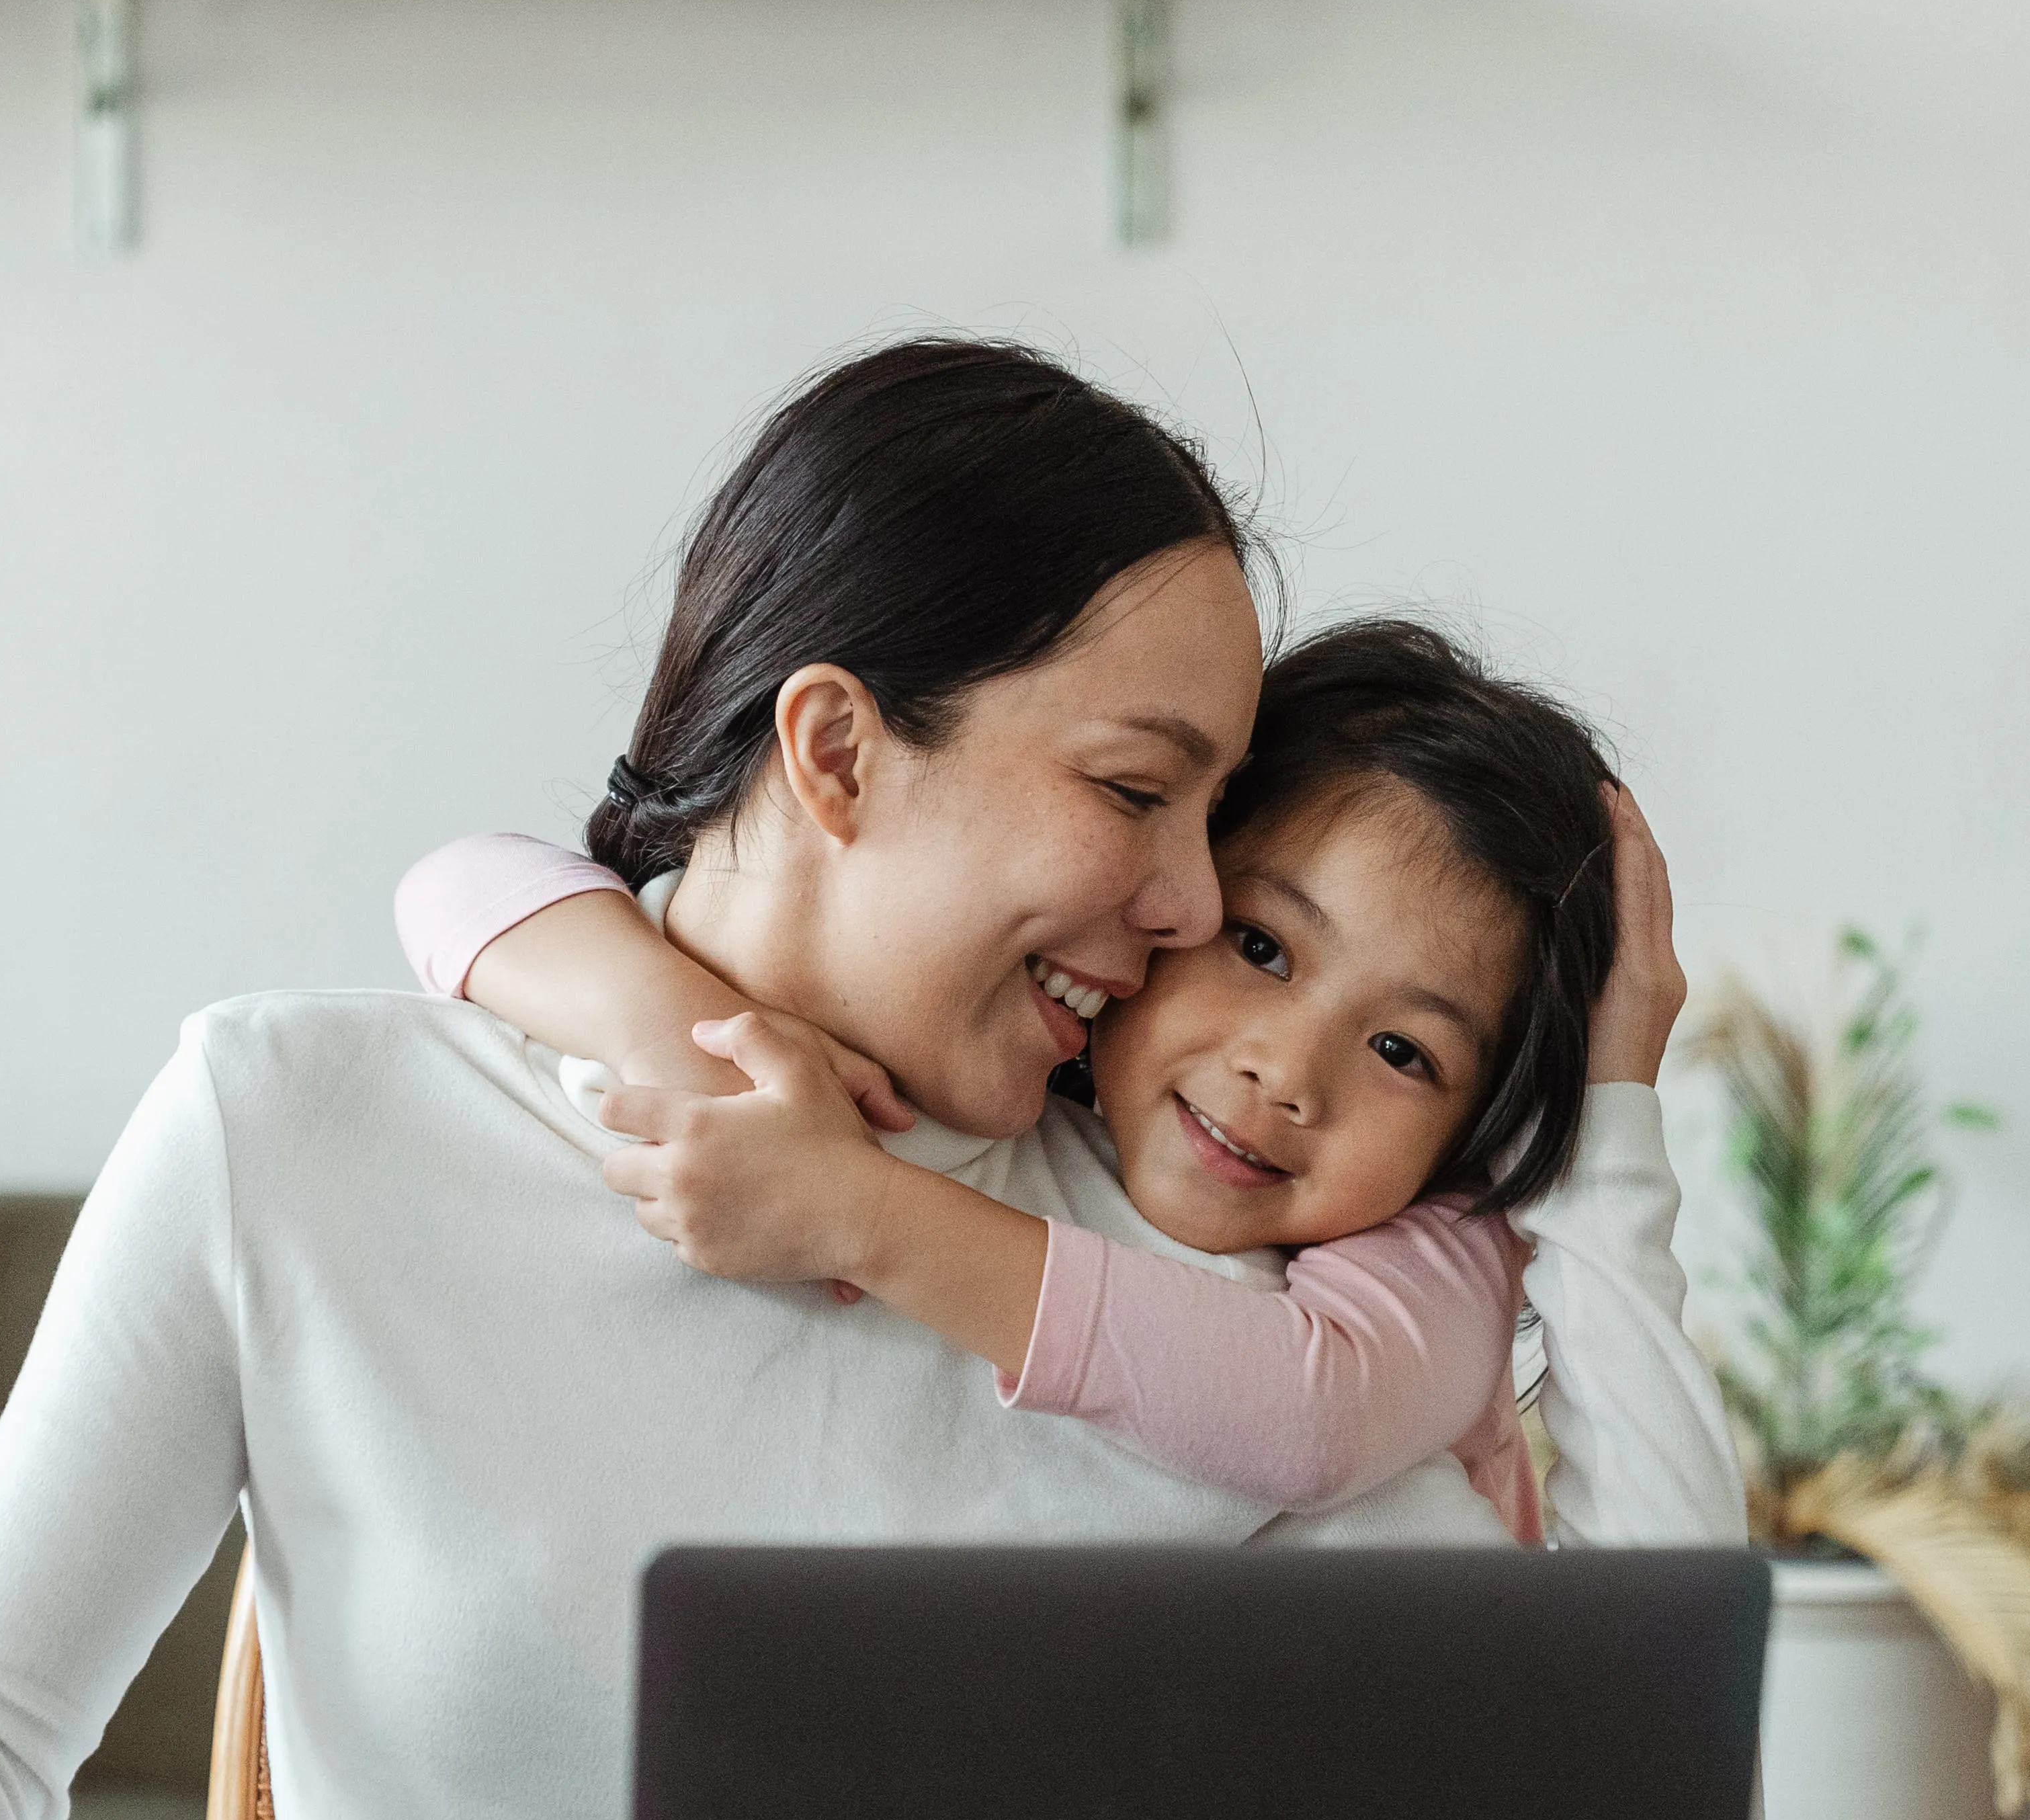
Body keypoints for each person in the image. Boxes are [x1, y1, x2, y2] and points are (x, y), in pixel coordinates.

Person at [0, 340, 1742, 1820]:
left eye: (1213, 817)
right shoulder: (297, 1130)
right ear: (833, 748)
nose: (1190, 907)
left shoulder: (1225, 1284)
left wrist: (1613, 1124)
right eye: (1129, 791)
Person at [392, 620, 1704, 1546]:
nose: (1283, 1069)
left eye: (1403, 1053)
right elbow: (457, 879)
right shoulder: (1020, 1080)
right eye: (1257, 946)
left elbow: (1308, 1414)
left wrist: (858, 1210)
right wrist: (678, 1031)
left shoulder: (1433, 1242)